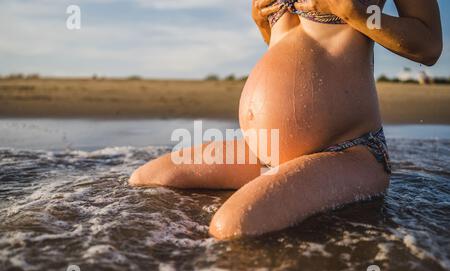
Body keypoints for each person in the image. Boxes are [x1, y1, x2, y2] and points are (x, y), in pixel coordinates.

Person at [130, 0, 442, 240]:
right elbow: (292, 48)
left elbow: (429, 45)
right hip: (265, 148)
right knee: (149, 179)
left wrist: (353, 13)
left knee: (231, 227)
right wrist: (263, 25)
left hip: (345, 149)